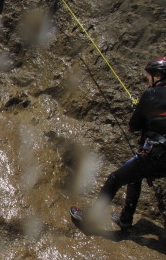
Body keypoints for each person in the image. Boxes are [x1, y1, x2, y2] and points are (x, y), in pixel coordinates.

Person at [70, 57, 166, 230]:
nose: (148, 80)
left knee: (115, 178)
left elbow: (133, 127)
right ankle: (125, 219)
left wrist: (140, 109)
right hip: (161, 157)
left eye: (149, 77)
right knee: (135, 176)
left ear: (158, 76)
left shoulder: (151, 94)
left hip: (156, 155)